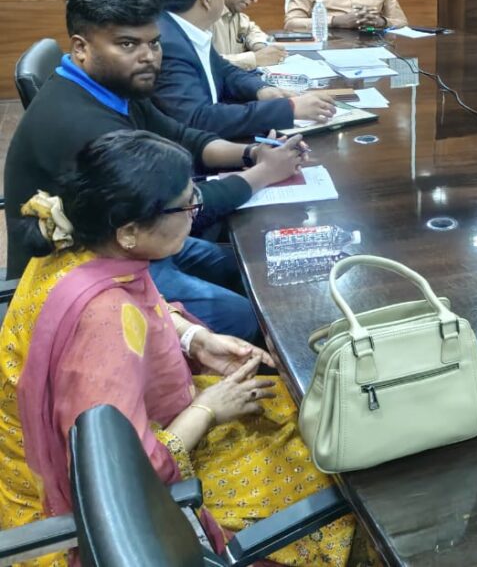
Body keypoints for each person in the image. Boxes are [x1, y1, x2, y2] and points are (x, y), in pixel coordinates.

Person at [0, 130, 353, 566]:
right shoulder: (103, 322)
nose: (195, 212)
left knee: (298, 409)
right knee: (334, 464)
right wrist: (207, 410)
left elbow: (142, 308)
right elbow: (119, 474)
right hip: (121, 501)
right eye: (186, 205)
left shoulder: (77, 244)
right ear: (130, 231)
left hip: (145, 424)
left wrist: (192, 338)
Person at [4, 0, 306, 340]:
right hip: (84, 267)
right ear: (81, 48)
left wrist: (250, 153)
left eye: (154, 42)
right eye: (128, 44)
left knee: (246, 267)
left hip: (132, 236)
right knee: (244, 316)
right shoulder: (85, 126)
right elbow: (177, 207)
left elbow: (181, 136)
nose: (149, 56)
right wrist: (263, 174)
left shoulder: (112, 86)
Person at [149, 0, 336, 139]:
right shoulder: (166, 45)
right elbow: (200, 119)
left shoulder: (185, 30)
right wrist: (289, 109)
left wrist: (263, 90)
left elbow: (225, 71)